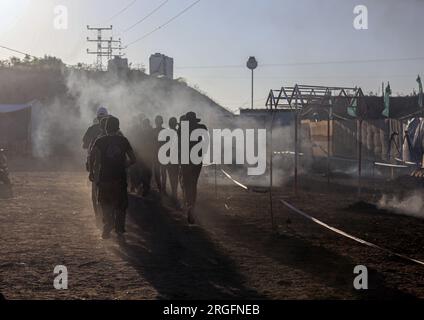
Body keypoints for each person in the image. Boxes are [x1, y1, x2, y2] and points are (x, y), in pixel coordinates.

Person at [89, 116, 136, 240]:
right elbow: (133, 159)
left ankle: (108, 224)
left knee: (104, 202)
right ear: (118, 127)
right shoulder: (124, 140)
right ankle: (119, 229)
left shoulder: (100, 140)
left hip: (105, 178)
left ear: (105, 127)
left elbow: (92, 155)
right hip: (119, 178)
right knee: (121, 204)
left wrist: (91, 171)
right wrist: (124, 165)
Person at [179, 112, 208, 224]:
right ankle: (192, 206)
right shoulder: (201, 127)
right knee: (193, 183)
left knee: (187, 183)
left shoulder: (183, 128)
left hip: (186, 159)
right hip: (196, 159)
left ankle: (189, 204)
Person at [166, 117, 180, 206]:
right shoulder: (179, 132)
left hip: (169, 156)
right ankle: (174, 191)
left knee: (171, 175)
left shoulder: (166, 133)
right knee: (176, 174)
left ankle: (173, 191)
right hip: (176, 156)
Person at [152, 115, 167, 194]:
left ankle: (161, 188)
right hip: (161, 153)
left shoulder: (153, 131)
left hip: (157, 153)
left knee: (159, 171)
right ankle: (162, 188)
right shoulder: (165, 131)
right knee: (162, 171)